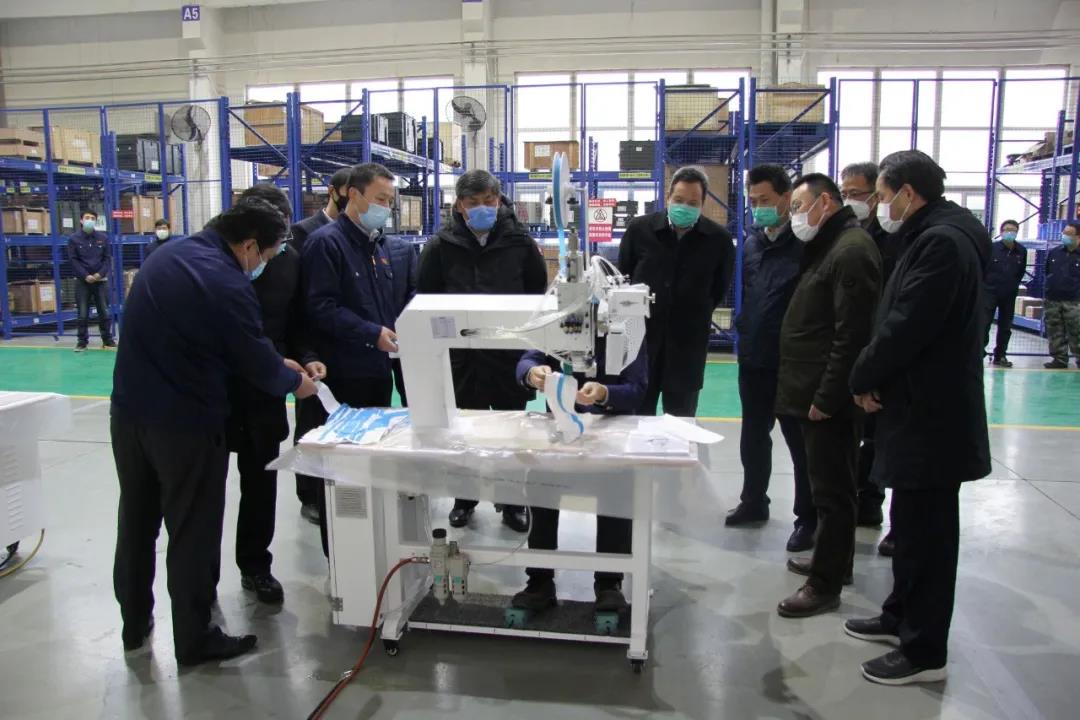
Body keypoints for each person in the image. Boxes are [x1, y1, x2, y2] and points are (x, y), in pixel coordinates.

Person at [111, 195, 318, 666]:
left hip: (130, 416)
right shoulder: (226, 281)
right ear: (249, 245)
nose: (265, 265)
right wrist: (294, 383)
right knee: (193, 530)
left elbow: (215, 340)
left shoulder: (170, 255)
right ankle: (195, 638)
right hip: (184, 426)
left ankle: (134, 623)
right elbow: (251, 357)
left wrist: (273, 361)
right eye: (266, 255)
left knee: (137, 522)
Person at [846, 150, 991, 685]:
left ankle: (924, 651)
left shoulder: (942, 243)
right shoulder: (930, 234)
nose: (879, 207)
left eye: (883, 196)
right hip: (915, 409)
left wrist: (862, 375)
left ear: (908, 194)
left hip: (932, 418)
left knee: (929, 537)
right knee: (907, 526)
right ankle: (899, 615)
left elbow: (907, 325)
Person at [774, 174, 881, 619]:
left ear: (826, 202)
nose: (794, 216)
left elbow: (851, 335)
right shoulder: (832, 244)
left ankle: (825, 584)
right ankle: (834, 562)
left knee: (833, 493)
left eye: (799, 206)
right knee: (830, 488)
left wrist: (827, 396)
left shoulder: (850, 250)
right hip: (811, 389)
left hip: (825, 396)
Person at [416, 169, 547, 532]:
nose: (483, 208)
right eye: (473, 202)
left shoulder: (520, 242)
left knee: (512, 432)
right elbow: (426, 296)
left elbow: (536, 292)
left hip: (508, 355)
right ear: (459, 205)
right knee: (464, 433)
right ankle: (464, 498)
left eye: (489, 200)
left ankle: (512, 501)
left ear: (499, 199)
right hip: (462, 358)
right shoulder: (441, 245)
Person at [217, 184, 325, 605]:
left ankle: (255, 566)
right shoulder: (213, 265)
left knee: (260, 484)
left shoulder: (289, 261)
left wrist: (308, 357)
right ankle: (200, 579)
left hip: (266, 392)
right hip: (216, 393)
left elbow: (298, 323)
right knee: (203, 490)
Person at [303, 162, 400, 557]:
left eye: (390, 201)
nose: (386, 208)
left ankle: (372, 553)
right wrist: (371, 333)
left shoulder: (378, 246)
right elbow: (320, 308)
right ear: (353, 195)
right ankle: (343, 561)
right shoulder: (326, 244)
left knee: (371, 467)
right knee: (341, 475)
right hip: (342, 377)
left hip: (377, 374)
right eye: (380, 199)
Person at [510, 337, 648, 614]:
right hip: (561, 432)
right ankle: (540, 580)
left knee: (616, 488)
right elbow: (529, 358)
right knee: (539, 481)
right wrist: (531, 373)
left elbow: (636, 388)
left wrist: (604, 393)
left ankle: (609, 583)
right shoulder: (556, 325)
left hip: (612, 429)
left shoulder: (627, 327)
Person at [726, 164, 816, 555]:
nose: (758, 206)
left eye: (765, 199)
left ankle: (807, 518)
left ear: (786, 198)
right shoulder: (752, 242)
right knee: (753, 436)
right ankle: (753, 501)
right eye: (753, 200)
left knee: (800, 444)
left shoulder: (807, 243)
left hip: (792, 361)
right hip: (754, 357)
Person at [618, 166, 735, 417]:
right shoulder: (639, 230)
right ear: (668, 197)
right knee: (635, 422)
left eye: (693, 203)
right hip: (641, 344)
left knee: (681, 423)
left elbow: (719, 289)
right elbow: (623, 277)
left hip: (687, 348)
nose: (684, 207)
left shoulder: (719, 240)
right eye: (679, 200)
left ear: (703, 204)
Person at [291, 167, 352, 524]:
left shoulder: (362, 235)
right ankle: (309, 495)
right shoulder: (304, 233)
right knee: (312, 422)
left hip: (348, 341)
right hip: (313, 344)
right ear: (335, 191)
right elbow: (302, 298)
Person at [839, 162, 894, 535]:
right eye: (844, 193)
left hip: (882, 349)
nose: (849, 200)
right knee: (855, 436)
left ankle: (877, 505)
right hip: (852, 350)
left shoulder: (893, 238)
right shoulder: (848, 233)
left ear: (876, 195)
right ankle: (862, 500)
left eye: (855, 193)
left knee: (881, 436)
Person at [67, 209, 115, 352]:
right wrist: (85, 275)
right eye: (87, 218)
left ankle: (107, 340)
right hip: (83, 282)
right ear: (81, 220)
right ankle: (82, 342)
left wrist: (99, 274)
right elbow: (73, 260)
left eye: (93, 218)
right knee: (82, 313)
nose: (90, 220)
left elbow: (107, 259)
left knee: (104, 312)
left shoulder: (103, 238)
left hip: (100, 281)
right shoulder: (73, 239)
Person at [983, 219, 1027, 368]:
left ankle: (1000, 355)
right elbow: (983, 268)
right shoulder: (992, 248)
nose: (1010, 233)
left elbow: (1020, 271)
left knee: (1005, 326)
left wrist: (1012, 285)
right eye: (1007, 230)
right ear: (1001, 232)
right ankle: (979, 353)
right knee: (984, 324)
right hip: (990, 292)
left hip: (1009, 294)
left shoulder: (1021, 251)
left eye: (1013, 230)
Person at [1043, 222, 1080, 369]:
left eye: (1069, 234)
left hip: (1075, 301)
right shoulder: (1055, 252)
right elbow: (1048, 271)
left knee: (1077, 331)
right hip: (1053, 299)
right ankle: (1059, 359)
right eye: (1064, 233)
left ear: (1078, 237)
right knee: (1054, 330)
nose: (1065, 236)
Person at [290, 167, 352, 253]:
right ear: (331, 191)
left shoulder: (356, 231)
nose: (353, 198)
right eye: (349, 192)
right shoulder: (303, 230)